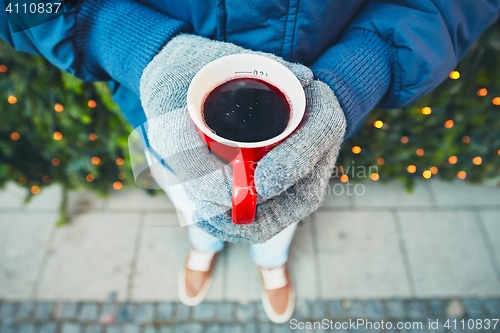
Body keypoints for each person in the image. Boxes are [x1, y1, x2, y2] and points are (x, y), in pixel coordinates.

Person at [2, 0, 499, 323]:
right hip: (164, 103)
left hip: (311, 98)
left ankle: (271, 261)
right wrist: (129, 41)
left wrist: (361, 69)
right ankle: (203, 247)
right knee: (191, 203)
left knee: (282, 209)